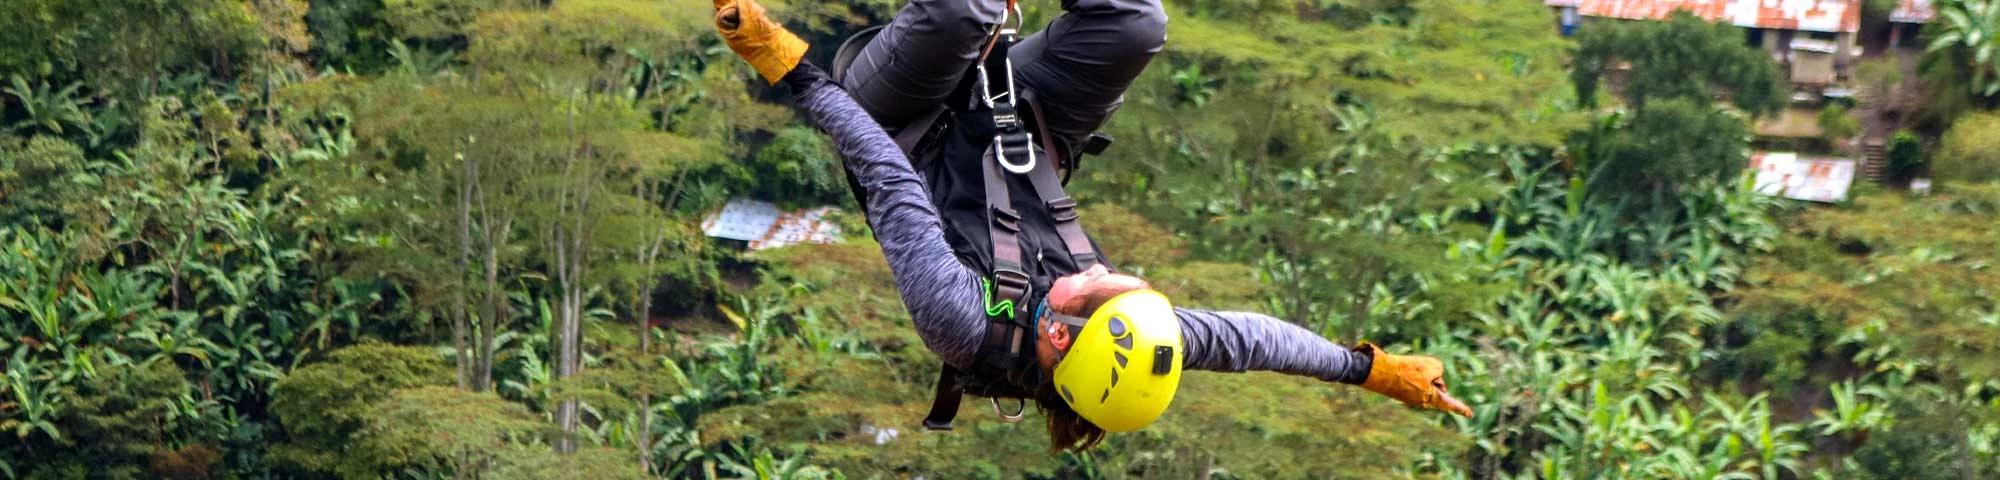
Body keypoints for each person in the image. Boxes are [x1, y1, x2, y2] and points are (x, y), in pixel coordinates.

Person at [709, 0, 1472, 453]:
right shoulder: (1135, 330)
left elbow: (884, 171)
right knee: (1133, 21)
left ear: (1062, 334)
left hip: (896, 122)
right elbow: (1257, 342)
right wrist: (1373, 370)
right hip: (1019, 127)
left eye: (1099, 291)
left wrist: (784, 63)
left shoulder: (960, 319)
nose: (1113, 275)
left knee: (963, 9)